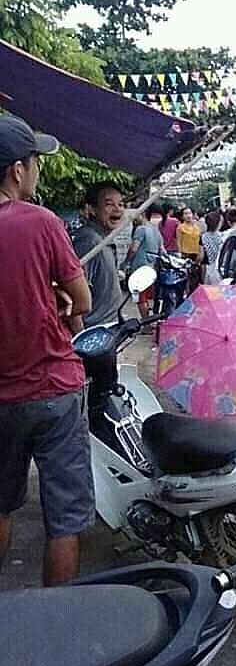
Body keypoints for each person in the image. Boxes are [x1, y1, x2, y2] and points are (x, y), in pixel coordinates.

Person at [0, 115, 94, 586]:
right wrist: (57, 297)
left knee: (1, 506)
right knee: (65, 521)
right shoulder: (41, 222)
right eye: (35, 162)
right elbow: (84, 301)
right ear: (17, 170)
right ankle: (56, 617)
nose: (37, 171)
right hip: (53, 389)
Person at [72, 182, 125, 329]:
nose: (117, 209)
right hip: (95, 332)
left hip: (110, 328)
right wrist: (81, 336)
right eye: (109, 204)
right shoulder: (90, 241)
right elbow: (72, 296)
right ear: (92, 209)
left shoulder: (105, 238)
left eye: (121, 204)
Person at [124, 204, 164, 320]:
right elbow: (162, 249)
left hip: (139, 267)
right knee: (148, 296)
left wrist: (126, 262)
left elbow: (133, 248)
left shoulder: (140, 229)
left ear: (142, 214)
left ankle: (146, 323)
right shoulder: (155, 230)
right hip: (152, 267)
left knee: (141, 298)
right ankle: (150, 320)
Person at [202, 211, 223, 285]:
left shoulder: (203, 237)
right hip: (221, 270)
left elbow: (201, 256)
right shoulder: (223, 236)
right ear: (218, 223)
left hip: (210, 270)